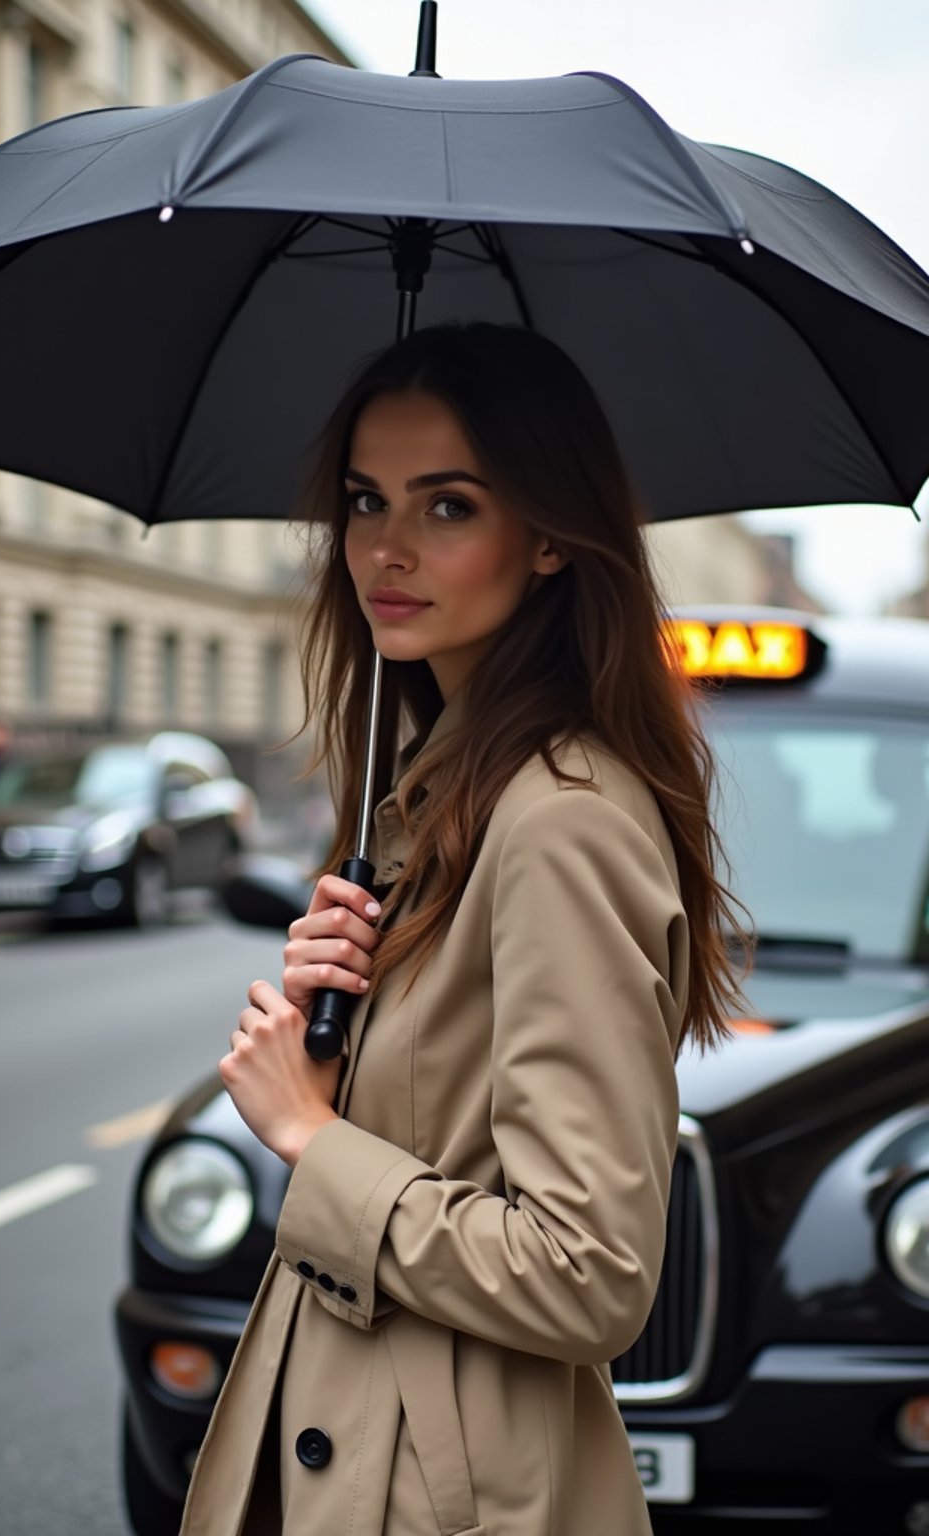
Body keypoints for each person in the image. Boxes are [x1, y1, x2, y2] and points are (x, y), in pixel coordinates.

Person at [180, 323, 745, 1536]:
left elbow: (590, 1274)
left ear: (548, 537)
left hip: (445, 1493)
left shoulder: (558, 819)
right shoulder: (436, 796)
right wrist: (343, 1044)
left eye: (447, 508)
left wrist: (308, 1132)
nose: (384, 549)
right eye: (366, 501)